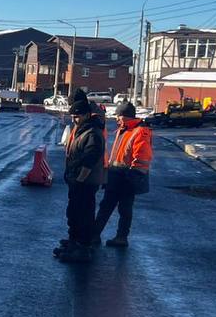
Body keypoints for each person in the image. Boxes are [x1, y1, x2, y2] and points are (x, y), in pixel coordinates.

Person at [55, 92, 105, 263]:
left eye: (77, 117)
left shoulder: (92, 133)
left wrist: (80, 179)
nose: (74, 120)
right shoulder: (81, 130)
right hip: (76, 179)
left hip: (85, 182)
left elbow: (90, 159)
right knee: (74, 212)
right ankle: (74, 241)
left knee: (84, 213)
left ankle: (83, 247)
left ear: (85, 115)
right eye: (73, 116)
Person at [95, 101, 153, 247]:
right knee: (107, 206)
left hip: (127, 175)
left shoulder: (139, 131)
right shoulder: (124, 129)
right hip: (115, 174)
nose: (116, 119)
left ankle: (120, 237)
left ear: (126, 116)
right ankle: (95, 235)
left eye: (118, 116)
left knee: (123, 208)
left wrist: (134, 174)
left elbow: (141, 155)